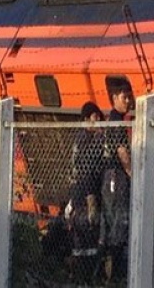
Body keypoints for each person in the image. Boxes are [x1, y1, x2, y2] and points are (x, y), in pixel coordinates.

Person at [65, 101, 105, 285]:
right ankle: (85, 277)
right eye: (95, 118)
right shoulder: (88, 139)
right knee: (87, 235)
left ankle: (77, 276)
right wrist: (91, 200)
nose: (98, 122)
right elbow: (87, 169)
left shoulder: (79, 138)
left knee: (80, 239)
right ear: (87, 119)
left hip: (77, 194)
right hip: (85, 195)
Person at [99, 85, 132, 283]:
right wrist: (132, 173)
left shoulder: (115, 120)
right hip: (115, 176)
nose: (128, 101)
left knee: (116, 219)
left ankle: (113, 269)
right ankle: (114, 271)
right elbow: (121, 152)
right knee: (117, 219)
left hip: (113, 176)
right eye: (124, 97)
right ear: (114, 98)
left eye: (129, 97)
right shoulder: (116, 121)